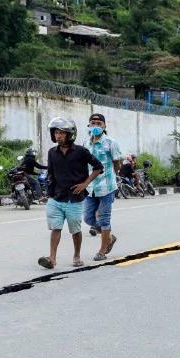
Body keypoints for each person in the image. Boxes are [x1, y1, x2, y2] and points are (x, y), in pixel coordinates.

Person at [39, 117, 103, 270]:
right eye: (55, 133)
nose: (58, 136)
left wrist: (85, 183)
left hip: (74, 199)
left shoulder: (81, 152)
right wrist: (48, 193)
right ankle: (52, 258)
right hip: (56, 198)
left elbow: (98, 167)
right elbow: (51, 175)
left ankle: (76, 256)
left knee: (75, 230)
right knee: (56, 228)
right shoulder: (52, 152)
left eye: (61, 133)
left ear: (70, 134)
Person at [82, 113, 122, 261]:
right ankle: (110, 238)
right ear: (89, 125)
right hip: (90, 187)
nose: (96, 126)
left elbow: (117, 162)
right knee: (88, 218)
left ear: (104, 126)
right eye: (93, 123)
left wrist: (112, 174)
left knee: (104, 220)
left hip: (107, 187)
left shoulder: (111, 143)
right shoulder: (86, 143)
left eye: (99, 123)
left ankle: (102, 251)